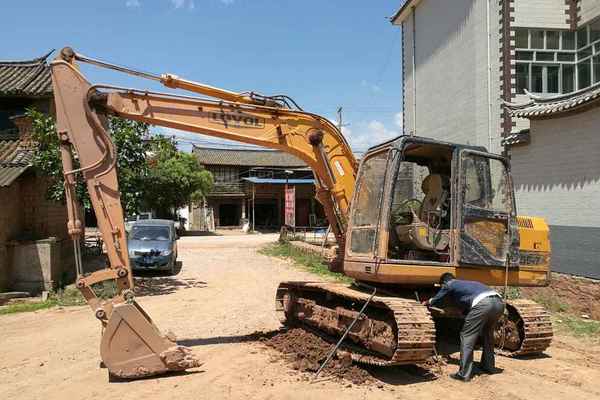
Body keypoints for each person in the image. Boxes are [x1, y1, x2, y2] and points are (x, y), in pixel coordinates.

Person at [425, 273, 505, 382]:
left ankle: (463, 374)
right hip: (499, 303)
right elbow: (466, 304)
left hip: (483, 304)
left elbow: (438, 299)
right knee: (488, 334)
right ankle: (489, 367)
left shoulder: (450, 284)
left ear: (444, 282)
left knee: (467, 336)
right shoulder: (466, 284)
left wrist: (428, 302)